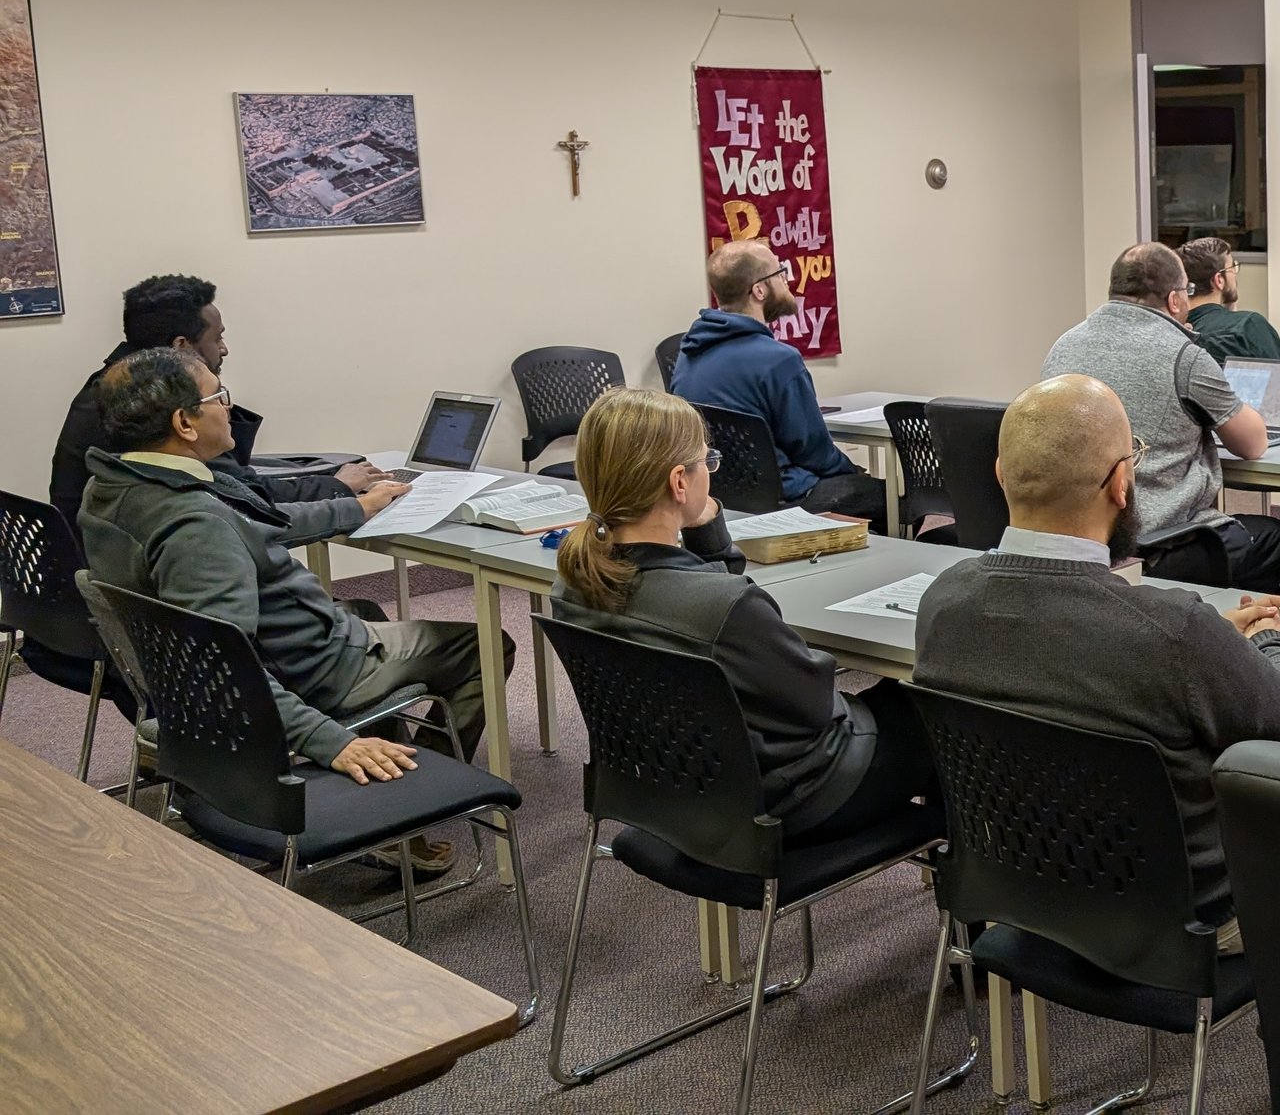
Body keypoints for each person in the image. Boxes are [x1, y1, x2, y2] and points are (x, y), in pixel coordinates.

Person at [914, 374, 1280, 930]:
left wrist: (1209, 642)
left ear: (1001, 475)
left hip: (1021, 885)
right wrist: (1265, 637)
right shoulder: (1171, 630)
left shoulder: (944, 601)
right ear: (1122, 483)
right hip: (1184, 912)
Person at [79, 348, 498, 871]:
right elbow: (228, 669)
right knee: (483, 646)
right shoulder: (195, 529)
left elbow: (259, 523)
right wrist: (333, 744)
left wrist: (359, 506)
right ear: (184, 422)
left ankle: (394, 755)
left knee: (363, 603)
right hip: (312, 665)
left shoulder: (119, 487)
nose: (228, 407)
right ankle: (410, 794)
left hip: (234, 663)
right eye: (217, 396)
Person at [551, 387, 932, 844]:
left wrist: (706, 536)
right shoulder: (728, 610)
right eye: (705, 462)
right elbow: (815, 703)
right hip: (792, 798)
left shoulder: (573, 583)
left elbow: (703, 598)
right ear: (679, 482)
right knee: (940, 712)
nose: (710, 472)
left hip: (679, 784)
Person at [51, 274, 388, 540]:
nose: (223, 349)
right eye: (217, 338)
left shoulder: (108, 384)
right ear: (182, 347)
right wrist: (340, 488)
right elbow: (251, 503)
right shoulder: (157, 405)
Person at [1042, 244, 1280, 593]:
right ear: (1175, 300)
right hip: (1153, 540)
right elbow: (1253, 444)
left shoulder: (1064, 345)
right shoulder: (1183, 355)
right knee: (1271, 537)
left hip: (1075, 532)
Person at [672, 240, 887, 531]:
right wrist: (854, 473)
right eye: (780, 273)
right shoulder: (778, 360)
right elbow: (815, 453)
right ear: (759, 290)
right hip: (789, 498)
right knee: (898, 499)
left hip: (721, 496)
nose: (788, 281)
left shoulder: (688, 353)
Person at [1176, 237, 1280, 409]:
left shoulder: (1174, 331)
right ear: (1219, 280)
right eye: (1232, 268)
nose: (1235, 274)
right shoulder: (1246, 326)